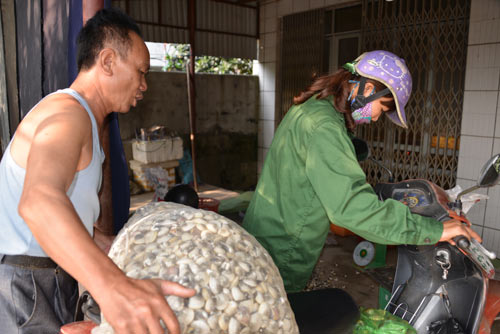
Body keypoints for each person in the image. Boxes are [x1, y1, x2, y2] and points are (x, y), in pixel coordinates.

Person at [0, 8, 195, 334]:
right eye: (140, 71)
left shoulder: (85, 121)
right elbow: (39, 202)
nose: (144, 85)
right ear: (107, 62)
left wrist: (121, 246)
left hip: (52, 277)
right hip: (27, 284)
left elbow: (70, 219)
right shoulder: (67, 115)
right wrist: (114, 287)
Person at [242, 50, 481, 293]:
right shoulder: (325, 127)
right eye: (382, 107)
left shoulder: (315, 108)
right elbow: (351, 208)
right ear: (367, 90)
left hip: (268, 232)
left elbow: (309, 157)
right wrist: (434, 230)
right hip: (284, 249)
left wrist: (350, 148)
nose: (377, 118)